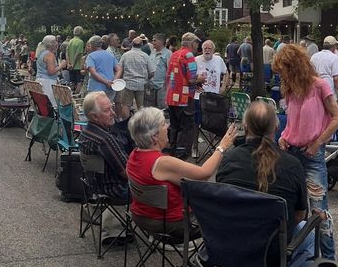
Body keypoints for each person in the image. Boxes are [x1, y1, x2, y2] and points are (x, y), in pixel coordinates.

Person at [216, 101, 313, 267]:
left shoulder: (229, 159)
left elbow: (224, 206)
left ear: (245, 127)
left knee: (243, 224)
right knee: (307, 235)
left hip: (232, 248)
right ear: (275, 128)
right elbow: (299, 214)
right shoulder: (291, 165)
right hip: (273, 254)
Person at [273, 43, 338, 260]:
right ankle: (297, 254)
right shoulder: (291, 89)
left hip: (312, 155)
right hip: (290, 151)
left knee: (319, 211)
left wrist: (318, 143)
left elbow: (337, 118)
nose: (281, 76)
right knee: (291, 208)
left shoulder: (320, 86)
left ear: (294, 67)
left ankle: (329, 260)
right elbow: (293, 122)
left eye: (284, 70)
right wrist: (284, 136)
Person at [126, 107, 238, 239]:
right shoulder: (162, 163)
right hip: (170, 223)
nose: (167, 126)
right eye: (163, 124)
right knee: (225, 209)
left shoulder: (134, 155)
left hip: (141, 216)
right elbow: (205, 173)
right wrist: (222, 146)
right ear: (154, 136)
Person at [80, 90, 134, 245]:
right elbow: (127, 173)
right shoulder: (105, 139)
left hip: (93, 186)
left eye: (111, 108)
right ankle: (165, 236)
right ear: (93, 116)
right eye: (106, 110)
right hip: (114, 190)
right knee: (162, 188)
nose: (112, 113)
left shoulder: (86, 133)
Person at [166, 32, 203, 159]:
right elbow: (192, 79)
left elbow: (172, 75)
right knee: (186, 129)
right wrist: (201, 79)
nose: (198, 46)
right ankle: (181, 157)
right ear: (192, 43)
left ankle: (172, 152)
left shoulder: (174, 54)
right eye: (197, 43)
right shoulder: (189, 56)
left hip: (172, 97)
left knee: (174, 127)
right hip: (184, 98)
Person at [118, 36, 155, 115]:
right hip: (141, 84)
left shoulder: (125, 55)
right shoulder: (145, 56)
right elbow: (152, 72)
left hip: (128, 83)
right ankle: (141, 123)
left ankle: (125, 123)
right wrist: (146, 79)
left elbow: (119, 69)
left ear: (132, 44)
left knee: (126, 105)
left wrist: (119, 79)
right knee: (141, 106)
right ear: (141, 45)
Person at [310, 35, 338, 100]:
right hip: (329, 91)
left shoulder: (314, 56)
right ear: (333, 46)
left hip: (315, 91)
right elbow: (337, 79)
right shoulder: (334, 57)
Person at [146, 34, 171, 110]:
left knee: (162, 109)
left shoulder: (168, 53)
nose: (152, 42)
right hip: (151, 86)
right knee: (151, 109)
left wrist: (167, 86)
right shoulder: (152, 52)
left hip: (162, 87)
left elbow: (170, 71)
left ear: (161, 41)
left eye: (154, 40)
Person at [66, 27, 86, 92]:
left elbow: (67, 53)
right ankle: (77, 98)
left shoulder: (70, 41)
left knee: (72, 83)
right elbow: (78, 54)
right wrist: (73, 64)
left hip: (70, 66)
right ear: (81, 32)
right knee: (79, 84)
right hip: (77, 66)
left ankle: (71, 97)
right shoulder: (80, 42)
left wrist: (69, 63)